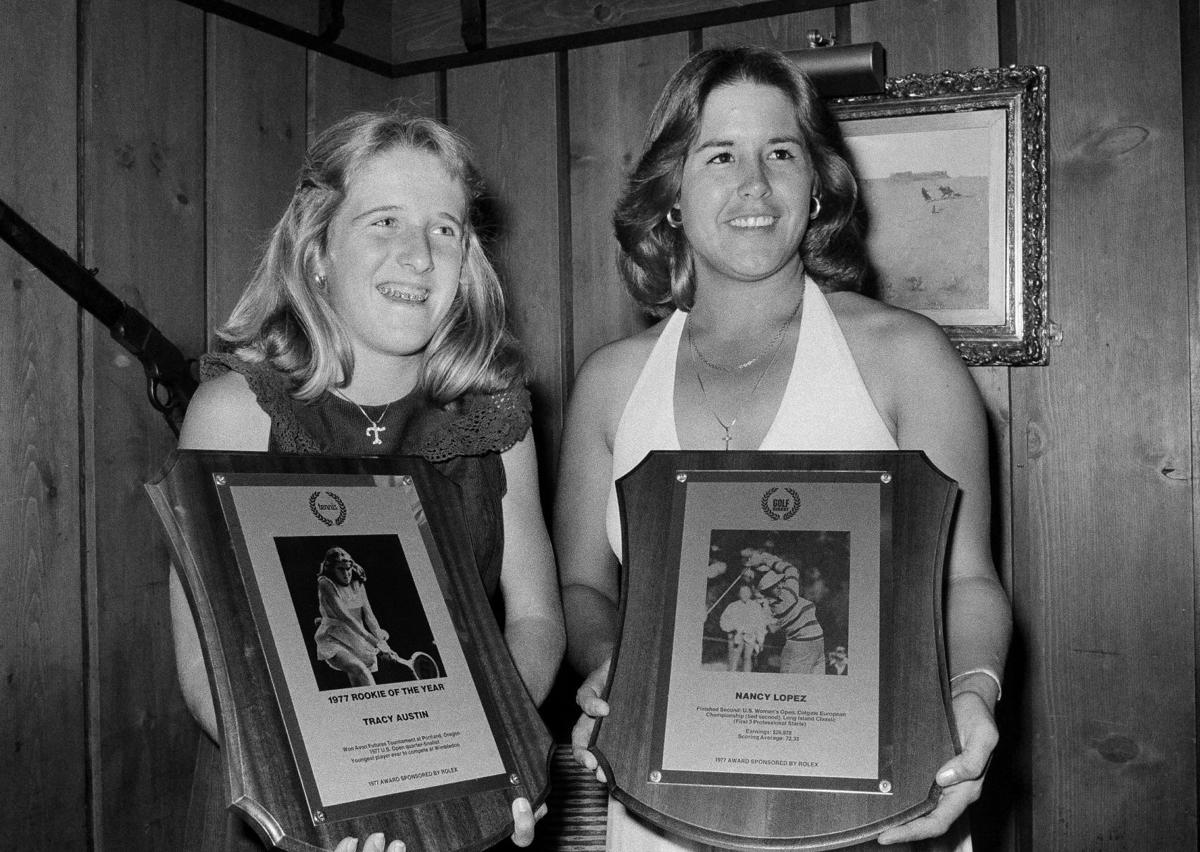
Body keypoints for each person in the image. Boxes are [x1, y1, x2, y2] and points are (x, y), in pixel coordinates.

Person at [554, 46, 1010, 850]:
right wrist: (611, 667)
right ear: (671, 189)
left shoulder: (908, 357)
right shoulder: (611, 382)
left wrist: (972, 691)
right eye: (720, 154)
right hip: (661, 812)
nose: (755, 184)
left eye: (782, 153)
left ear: (818, 186)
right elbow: (583, 584)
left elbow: (969, 579)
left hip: (872, 811)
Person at [169, 110, 565, 852]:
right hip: (288, 818)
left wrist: (507, 757)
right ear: (317, 248)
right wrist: (322, 810)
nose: (417, 255)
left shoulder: (496, 416)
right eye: (384, 221)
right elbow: (204, 665)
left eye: (444, 229)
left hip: (464, 798)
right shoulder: (232, 413)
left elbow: (537, 619)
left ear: (468, 258)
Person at [313, 547, 403, 687]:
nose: (346, 573)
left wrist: (383, 643)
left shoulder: (357, 582)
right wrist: (374, 641)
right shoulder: (325, 583)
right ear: (331, 569)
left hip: (357, 640)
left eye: (348, 568)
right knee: (360, 670)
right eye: (340, 569)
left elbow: (369, 616)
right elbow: (345, 617)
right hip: (332, 638)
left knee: (358, 682)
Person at [742, 548, 826, 675]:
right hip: (801, 647)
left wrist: (758, 564)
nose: (780, 585)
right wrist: (765, 558)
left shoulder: (779, 598)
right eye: (774, 586)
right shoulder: (786, 597)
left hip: (817, 644)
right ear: (766, 591)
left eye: (779, 582)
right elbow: (791, 570)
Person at [717, 582, 770, 671]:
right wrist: (733, 628)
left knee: (747, 659)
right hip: (736, 636)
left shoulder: (755, 607)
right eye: (742, 592)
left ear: (750, 593)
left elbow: (761, 624)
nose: (745, 595)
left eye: (747, 592)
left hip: (750, 636)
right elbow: (723, 621)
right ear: (739, 594)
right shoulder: (733, 606)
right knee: (734, 659)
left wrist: (760, 639)